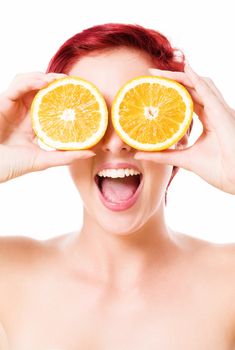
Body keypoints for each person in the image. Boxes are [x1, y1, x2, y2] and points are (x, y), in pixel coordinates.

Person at [0, 23, 235, 350]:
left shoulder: (229, 283)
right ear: (58, 136)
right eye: (91, 118)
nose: (114, 143)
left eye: (135, 116)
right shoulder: (8, 274)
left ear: (177, 131)